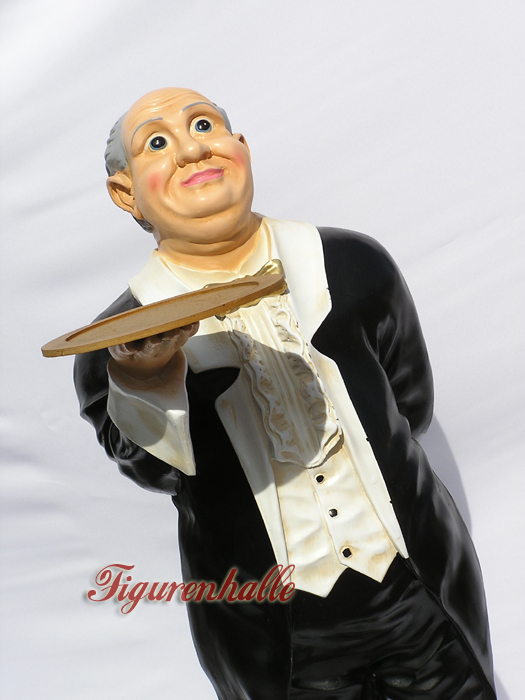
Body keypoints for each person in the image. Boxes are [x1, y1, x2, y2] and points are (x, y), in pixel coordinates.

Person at [74, 88, 496, 699]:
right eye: (158, 143)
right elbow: (155, 469)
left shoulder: (353, 264)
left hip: (421, 596)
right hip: (279, 637)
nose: (192, 150)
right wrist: (147, 378)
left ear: (241, 147)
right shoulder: (117, 344)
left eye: (204, 126)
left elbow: (410, 405)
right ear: (125, 193)